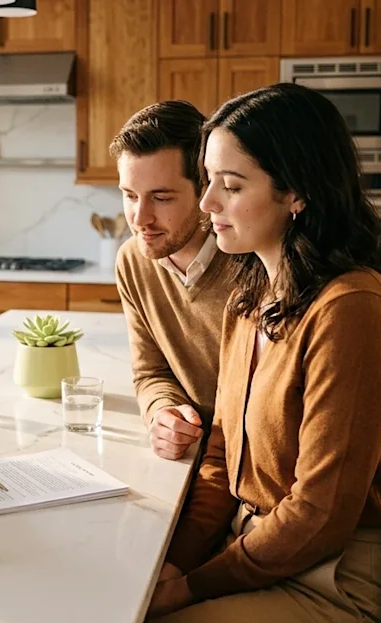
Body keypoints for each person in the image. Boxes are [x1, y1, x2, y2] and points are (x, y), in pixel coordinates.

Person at [130, 84, 381, 623]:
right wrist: (177, 562)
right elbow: (219, 455)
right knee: (115, 616)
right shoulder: (253, 295)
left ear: (296, 193)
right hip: (254, 549)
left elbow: (318, 515)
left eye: (231, 186)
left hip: (331, 586)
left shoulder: (352, 309)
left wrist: (190, 587)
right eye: (208, 179)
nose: (207, 202)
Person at [111, 100, 231, 461]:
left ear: (204, 190)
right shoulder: (133, 260)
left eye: (161, 198)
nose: (140, 218)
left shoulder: (251, 261)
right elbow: (151, 371)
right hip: (197, 456)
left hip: (244, 464)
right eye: (129, 196)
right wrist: (164, 412)